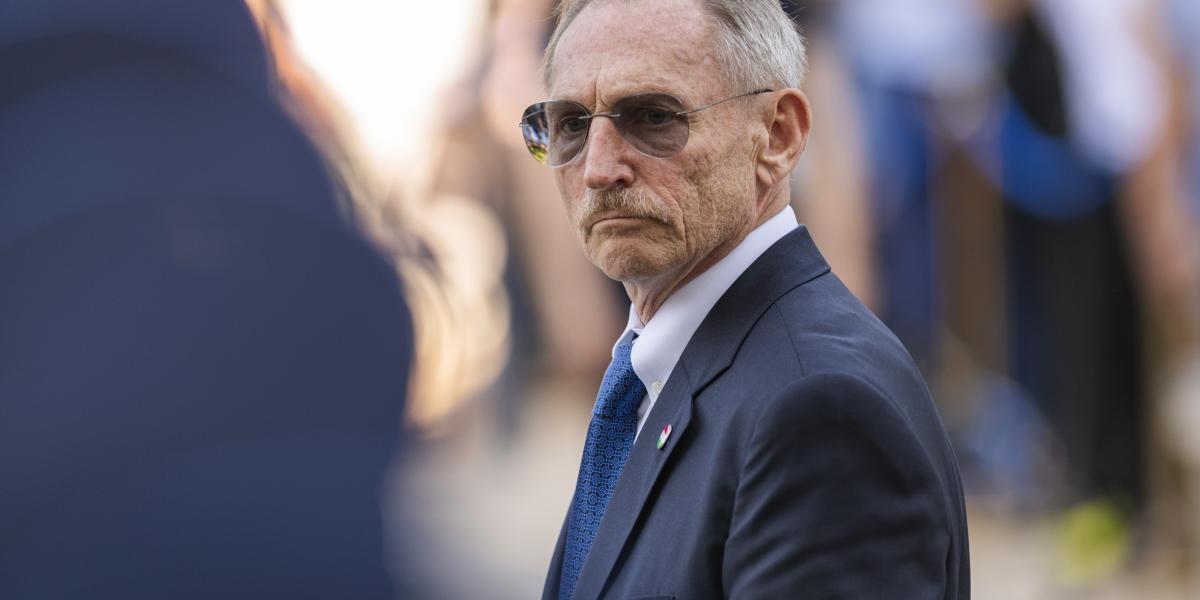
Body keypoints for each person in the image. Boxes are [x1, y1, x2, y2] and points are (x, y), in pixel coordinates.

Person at [517, 0, 970, 598]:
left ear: (778, 135)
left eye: (653, 117)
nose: (598, 169)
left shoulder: (819, 412)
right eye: (571, 124)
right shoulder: (666, 370)